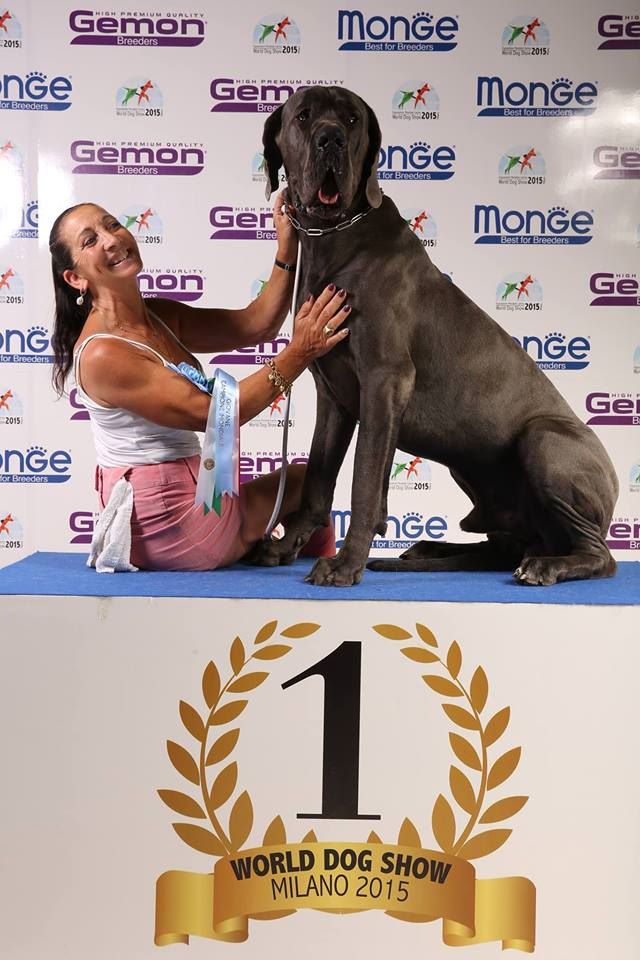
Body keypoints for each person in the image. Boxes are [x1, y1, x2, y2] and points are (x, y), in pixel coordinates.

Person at [49, 197, 351, 571]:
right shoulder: (102, 354)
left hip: (197, 486)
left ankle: (308, 577)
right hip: (169, 521)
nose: (111, 240)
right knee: (309, 488)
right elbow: (214, 415)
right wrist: (301, 351)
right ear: (75, 278)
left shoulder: (156, 315)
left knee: (308, 482)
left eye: (112, 225)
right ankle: (312, 575)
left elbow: (256, 325)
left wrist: (286, 247)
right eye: (90, 240)